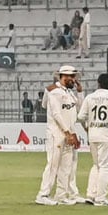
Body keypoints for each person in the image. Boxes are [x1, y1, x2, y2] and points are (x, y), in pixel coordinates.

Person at [35, 65, 83, 206]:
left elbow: (79, 109)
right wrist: (67, 132)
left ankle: (61, 195)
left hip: (69, 132)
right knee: (53, 164)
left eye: (73, 77)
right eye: (69, 76)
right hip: (57, 133)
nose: (72, 79)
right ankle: (42, 194)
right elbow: (55, 113)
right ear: (61, 76)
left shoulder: (69, 93)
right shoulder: (54, 91)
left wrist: (80, 92)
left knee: (66, 166)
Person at [76, 73, 108, 207]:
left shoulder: (90, 97)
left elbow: (80, 116)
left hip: (93, 133)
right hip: (106, 133)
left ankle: (91, 195)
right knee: (106, 166)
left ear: (98, 83)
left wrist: (87, 128)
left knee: (96, 165)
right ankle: (101, 198)